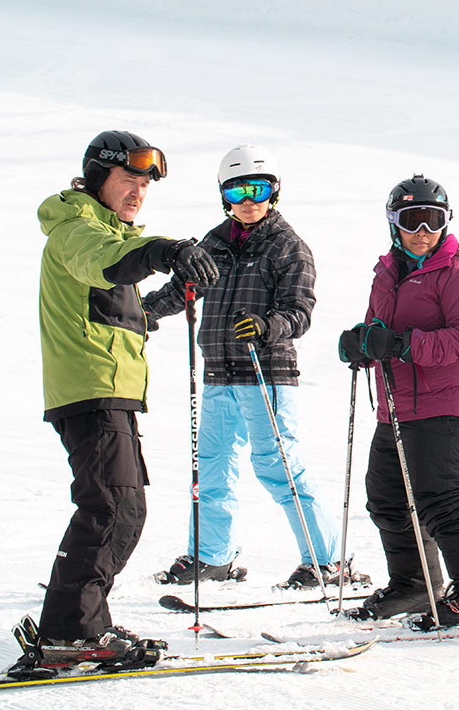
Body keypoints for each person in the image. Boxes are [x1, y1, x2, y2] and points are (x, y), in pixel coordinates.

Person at [143, 144, 367, 590]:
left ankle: (326, 561)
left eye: (258, 189)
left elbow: (300, 312)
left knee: (277, 464)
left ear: (274, 192)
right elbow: (181, 290)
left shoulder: (289, 248)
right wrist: (143, 313)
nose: (248, 200)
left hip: (266, 371)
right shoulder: (215, 243)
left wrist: (267, 326)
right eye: (237, 190)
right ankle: (211, 557)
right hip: (218, 372)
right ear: (224, 195)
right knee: (211, 466)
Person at [34, 130, 219, 667]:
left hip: (107, 390)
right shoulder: (77, 228)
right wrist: (163, 250)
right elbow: (105, 261)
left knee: (120, 508)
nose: (138, 191)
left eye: (144, 183)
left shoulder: (108, 233)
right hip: (90, 389)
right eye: (127, 179)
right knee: (111, 508)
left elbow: (118, 311)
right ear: (97, 179)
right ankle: (70, 632)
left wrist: (171, 290)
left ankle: (76, 626)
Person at [338, 174, 459, 627]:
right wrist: (361, 343)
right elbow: (376, 325)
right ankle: (415, 586)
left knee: (441, 500)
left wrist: (401, 344)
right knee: (387, 499)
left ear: (445, 221)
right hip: (395, 408)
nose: (422, 231)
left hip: (442, 407)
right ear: (393, 223)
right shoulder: (388, 270)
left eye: (432, 220)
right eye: (411, 219)